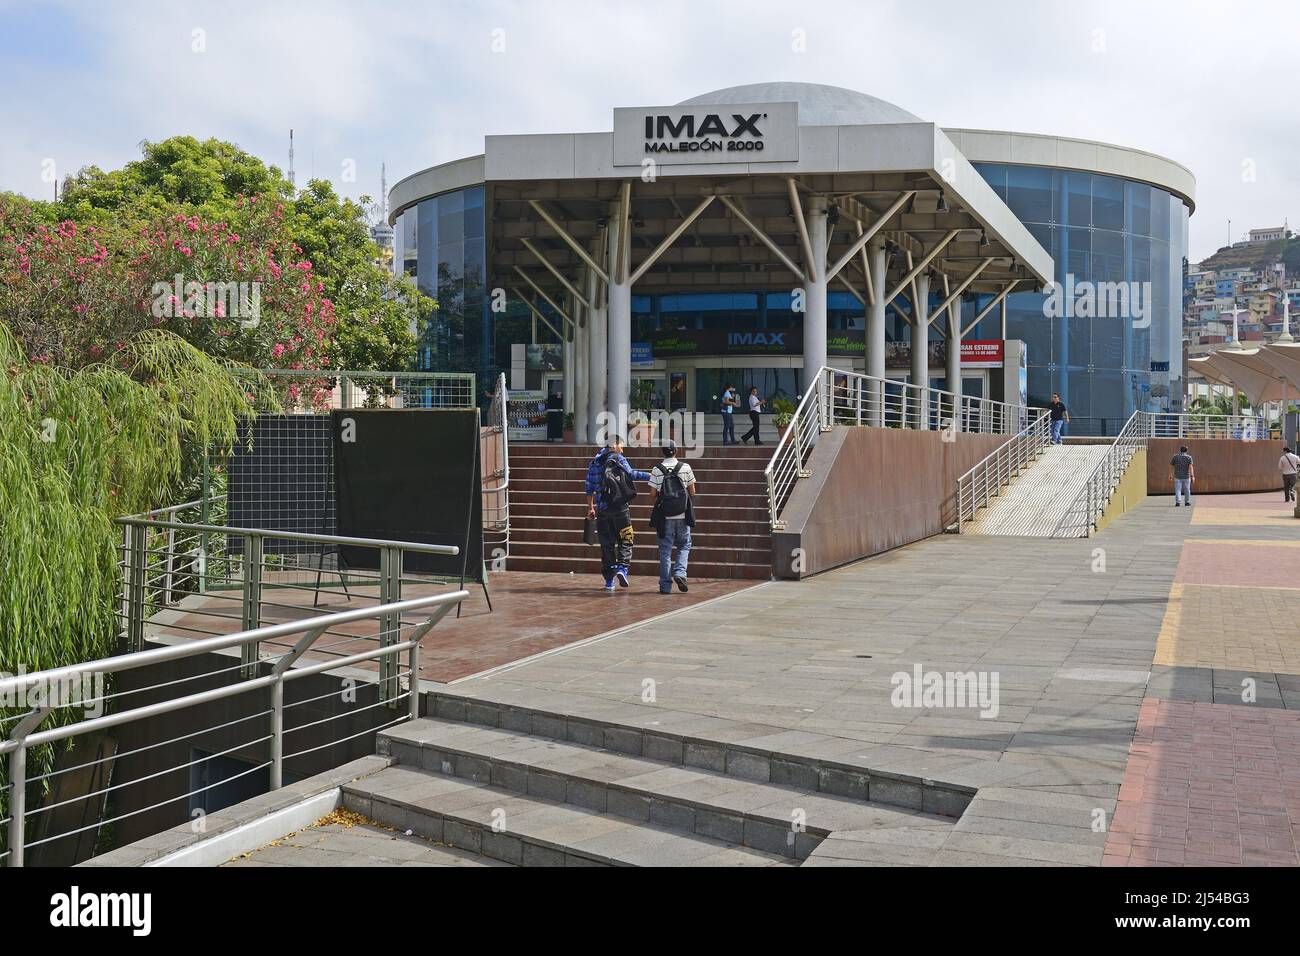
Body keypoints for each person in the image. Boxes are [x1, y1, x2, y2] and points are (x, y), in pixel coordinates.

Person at [585, 436, 651, 591]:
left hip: (602, 508)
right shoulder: (619, 458)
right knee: (626, 538)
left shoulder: (595, 462)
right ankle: (622, 568)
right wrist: (648, 475)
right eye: (621, 446)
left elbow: (589, 486)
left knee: (606, 544)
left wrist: (590, 507)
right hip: (620, 507)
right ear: (614, 445)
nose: (622, 449)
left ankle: (609, 581)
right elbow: (631, 474)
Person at [648, 439, 697, 594]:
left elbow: (653, 494)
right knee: (684, 545)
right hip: (683, 515)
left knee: (665, 551)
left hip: (664, 517)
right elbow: (692, 491)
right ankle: (680, 572)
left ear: (662, 452)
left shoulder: (657, 469)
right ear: (677, 451)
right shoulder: (685, 467)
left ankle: (665, 586)